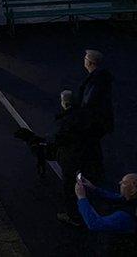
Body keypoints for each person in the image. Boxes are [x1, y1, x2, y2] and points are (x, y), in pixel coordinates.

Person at [50, 90, 101, 226]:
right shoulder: (86, 116)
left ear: (64, 103)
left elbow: (58, 139)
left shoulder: (65, 121)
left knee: (70, 188)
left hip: (71, 160)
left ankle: (73, 216)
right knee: (85, 181)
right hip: (88, 157)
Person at [77, 49, 113, 178]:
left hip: (95, 120)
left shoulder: (95, 81)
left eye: (86, 59)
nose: (84, 61)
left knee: (89, 142)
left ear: (90, 63)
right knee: (93, 143)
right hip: (101, 119)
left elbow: (89, 101)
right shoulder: (101, 77)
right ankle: (96, 168)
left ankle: (94, 170)